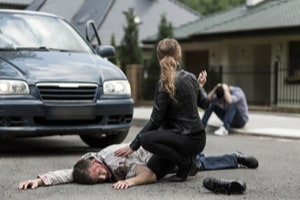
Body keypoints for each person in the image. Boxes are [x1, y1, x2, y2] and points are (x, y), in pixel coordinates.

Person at [114, 38, 209, 182]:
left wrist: (133, 145)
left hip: (185, 141)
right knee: (153, 169)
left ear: (159, 58)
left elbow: (155, 122)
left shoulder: (163, 84)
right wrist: (200, 86)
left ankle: (185, 163)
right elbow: (205, 103)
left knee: (145, 140)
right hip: (197, 139)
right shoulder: (190, 77)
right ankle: (190, 164)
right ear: (179, 56)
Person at [18, 142, 258, 190]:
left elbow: (146, 173)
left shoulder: (113, 158)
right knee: (199, 162)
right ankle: (235, 157)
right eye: (99, 181)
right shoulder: (87, 167)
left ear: (93, 163)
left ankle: (235, 157)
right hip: (160, 160)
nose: (103, 178)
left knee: (197, 162)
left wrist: (130, 182)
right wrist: (39, 180)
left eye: (98, 175)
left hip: (157, 154)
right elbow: (66, 174)